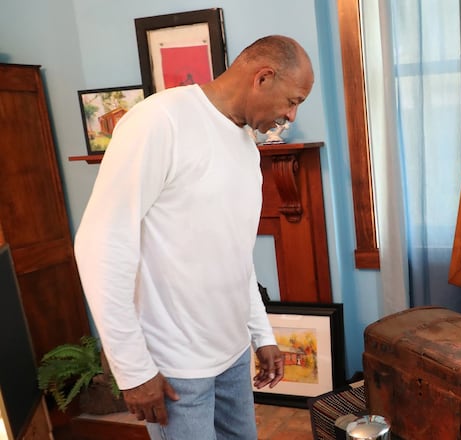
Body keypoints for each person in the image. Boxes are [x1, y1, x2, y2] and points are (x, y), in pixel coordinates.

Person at [74, 35, 314, 439]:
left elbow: (236, 254)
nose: (290, 115)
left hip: (233, 355)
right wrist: (133, 369)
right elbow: (100, 244)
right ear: (263, 78)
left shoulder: (245, 147)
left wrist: (261, 335)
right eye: (292, 100)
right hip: (176, 368)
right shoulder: (159, 121)